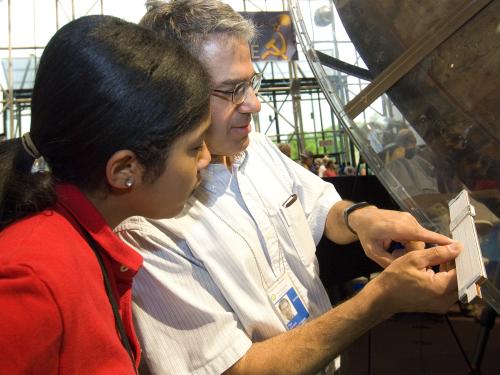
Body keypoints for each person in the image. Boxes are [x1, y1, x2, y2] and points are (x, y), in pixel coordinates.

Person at [116, 1, 462, 374]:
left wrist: (362, 218)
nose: (255, 104)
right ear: (173, 95)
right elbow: (233, 369)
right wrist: (380, 299)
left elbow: (318, 205)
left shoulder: (255, 147)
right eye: (233, 91)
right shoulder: (146, 229)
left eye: (250, 83)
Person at [0, 15, 211, 374]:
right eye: (193, 147)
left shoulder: (79, 242)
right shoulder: (30, 281)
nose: (207, 158)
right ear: (125, 171)